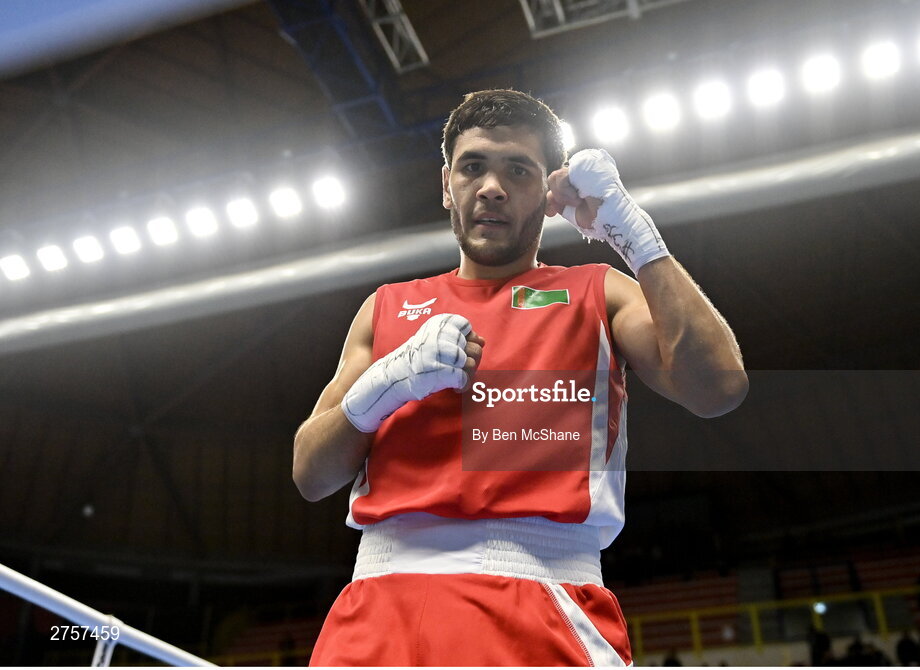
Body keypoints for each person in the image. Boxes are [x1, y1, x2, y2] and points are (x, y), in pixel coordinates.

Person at [293, 89, 748, 666]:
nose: (491, 186)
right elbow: (310, 472)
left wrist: (634, 234)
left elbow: (718, 389)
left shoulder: (599, 292)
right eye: (473, 166)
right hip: (376, 613)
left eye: (518, 170)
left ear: (548, 189)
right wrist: (386, 385)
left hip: (539, 606)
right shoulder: (385, 308)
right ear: (445, 185)